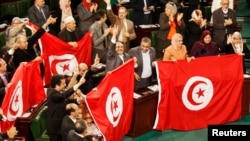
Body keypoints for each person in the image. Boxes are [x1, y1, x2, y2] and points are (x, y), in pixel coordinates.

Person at [47, 74, 85, 141]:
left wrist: (77, 100)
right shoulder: (52, 94)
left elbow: (65, 100)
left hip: (60, 126)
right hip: (55, 129)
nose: (65, 85)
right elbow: (64, 96)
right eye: (63, 83)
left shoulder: (57, 93)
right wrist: (79, 84)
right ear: (56, 85)